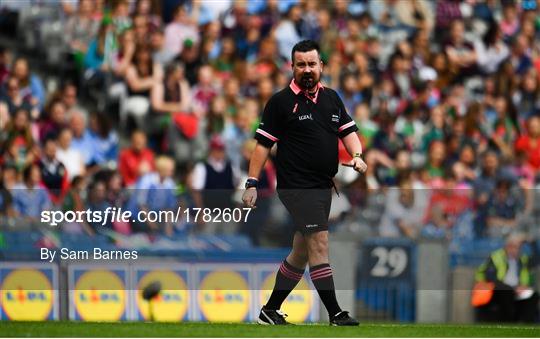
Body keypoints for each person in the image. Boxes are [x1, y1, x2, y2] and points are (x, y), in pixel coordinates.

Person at [242, 40, 366, 326]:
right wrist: (251, 183)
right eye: (301, 65)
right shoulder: (280, 102)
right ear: (292, 67)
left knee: (301, 251)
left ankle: (269, 311)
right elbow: (262, 146)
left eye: (312, 64)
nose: (307, 70)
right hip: (296, 186)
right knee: (320, 244)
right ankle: (335, 313)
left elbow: (348, 132)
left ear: (321, 65)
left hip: (323, 186)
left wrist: (358, 156)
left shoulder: (332, 98)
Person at [474, 233, 539, 323]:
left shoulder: (523, 259)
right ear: (507, 246)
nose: (515, 250)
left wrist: (532, 242)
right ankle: (508, 321)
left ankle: (526, 325)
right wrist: (513, 289)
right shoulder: (496, 256)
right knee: (505, 291)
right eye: (512, 247)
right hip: (498, 291)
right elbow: (490, 277)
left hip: (517, 290)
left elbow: (537, 259)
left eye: (517, 247)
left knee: (533, 295)